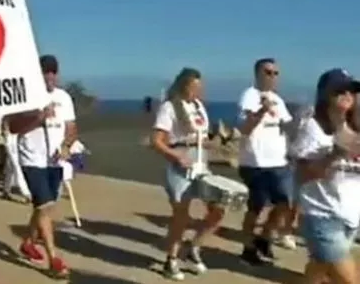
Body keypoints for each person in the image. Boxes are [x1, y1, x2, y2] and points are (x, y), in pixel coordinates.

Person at [6, 54, 76, 279]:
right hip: (32, 159)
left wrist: (66, 145)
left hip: (54, 160)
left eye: (53, 72)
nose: (50, 77)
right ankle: (54, 258)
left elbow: (71, 127)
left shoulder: (63, 97)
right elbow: (13, 126)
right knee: (45, 207)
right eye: (46, 72)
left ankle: (28, 242)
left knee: (44, 206)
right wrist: (38, 118)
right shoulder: (24, 97)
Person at [152, 67, 225, 280]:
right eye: (193, 86)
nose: (197, 91)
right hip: (179, 168)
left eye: (199, 87)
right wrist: (176, 156)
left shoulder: (199, 107)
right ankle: (171, 260)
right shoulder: (170, 107)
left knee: (218, 210)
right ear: (183, 85)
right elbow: (156, 141)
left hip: (201, 166)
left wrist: (216, 142)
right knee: (181, 217)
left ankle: (194, 247)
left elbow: (203, 135)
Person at [291, 68, 360, 284]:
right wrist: (335, 154)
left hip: (349, 216)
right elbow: (303, 175)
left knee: (319, 268)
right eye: (339, 91)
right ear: (324, 96)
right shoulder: (313, 129)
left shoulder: (354, 127)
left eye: (351, 90)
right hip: (322, 215)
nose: (347, 95)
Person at [237, 58, 295, 265]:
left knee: (285, 204)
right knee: (257, 207)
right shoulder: (249, 96)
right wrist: (262, 110)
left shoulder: (277, 99)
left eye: (276, 73)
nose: (272, 77)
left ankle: (264, 238)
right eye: (268, 72)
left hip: (279, 161)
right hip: (256, 162)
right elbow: (245, 128)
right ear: (257, 74)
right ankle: (248, 247)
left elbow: (287, 125)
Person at [2, 115, 31, 203]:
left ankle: (6, 190)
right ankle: (26, 192)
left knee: (10, 165)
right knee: (16, 165)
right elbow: (5, 119)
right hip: (10, 137)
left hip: (18, 136)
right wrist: (5, 129)